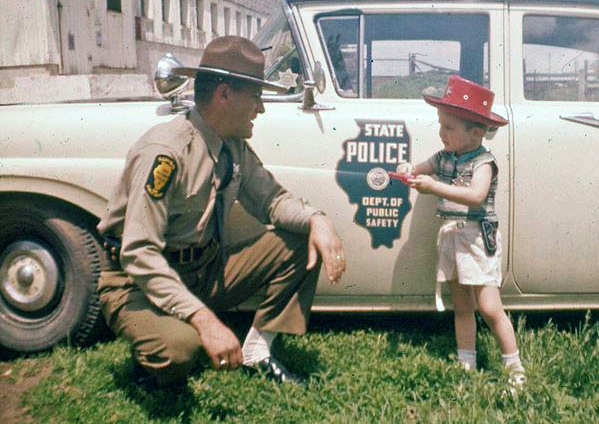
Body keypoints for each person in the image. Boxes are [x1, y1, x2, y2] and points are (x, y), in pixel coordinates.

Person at [96, 36, 346, 386]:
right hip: (138, 283)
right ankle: (159, 343)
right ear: (224, 94)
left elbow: (272, 200)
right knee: (180, 351)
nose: (260, 108)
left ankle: (258, 352)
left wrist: (317, 220)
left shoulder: (232, 145)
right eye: (255, 96)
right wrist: (204, 319)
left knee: (301, 242)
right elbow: (138, 253)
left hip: (203, 270)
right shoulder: (166, 153)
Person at [396, 75, 525, 389]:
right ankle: (466, 362)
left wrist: (435, 187)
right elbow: (419, 167)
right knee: (462, 305)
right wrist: (407, 169)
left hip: (477, 239)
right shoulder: (443, 157)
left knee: (490, 306)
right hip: (453, 237)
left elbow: (476, 196)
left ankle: (515, 369)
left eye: (449, 127)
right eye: (441, 125)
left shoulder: (484, 162)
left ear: (476, 133)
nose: (442, 133)